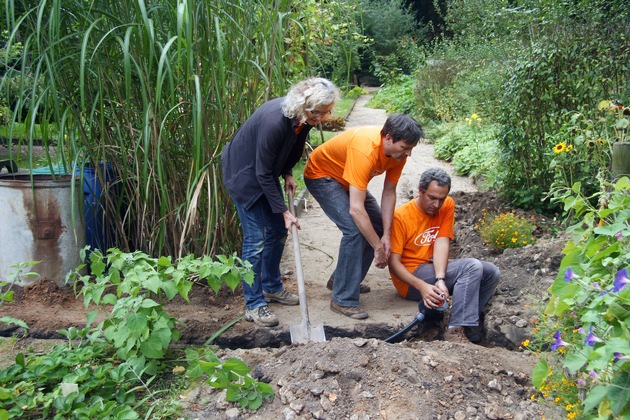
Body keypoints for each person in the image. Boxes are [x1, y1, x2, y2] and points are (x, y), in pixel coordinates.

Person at [222, 77, 340, 327]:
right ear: (303, 105)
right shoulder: (275, 122)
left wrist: (287, 172)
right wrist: (285, 211)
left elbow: (291, 149)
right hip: (243, 176)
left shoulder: (304, 119)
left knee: (277, 232)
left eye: (325, 112)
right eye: (318, 112)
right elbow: (262, 173)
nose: (322, 118)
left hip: (263, 173)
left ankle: (272, 287)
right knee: (256, 239)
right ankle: (254, 305)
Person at [304, 114, 424, 319]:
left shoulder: (398, 155)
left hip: (347, 179)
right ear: (388, 138)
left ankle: (341, 280)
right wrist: (378, 247)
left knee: (376, 226)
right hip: (322, 175)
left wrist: (386, 235)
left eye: (411, 148)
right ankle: (343, 299)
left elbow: (389, 193)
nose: (409, 153)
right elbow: (356, 210)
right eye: (405, 147)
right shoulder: (365, 149)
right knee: (354, 230)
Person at [388, 167, 500, 344]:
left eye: (441, 199)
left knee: (491, 272)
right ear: (420, 191)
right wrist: (423, 286)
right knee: (471, 267)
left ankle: (468, 323)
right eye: (431, 198)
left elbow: (441, 242)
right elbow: (393, 264)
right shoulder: (401, 217)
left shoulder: (447, 205)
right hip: (410, 280)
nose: (436, 205)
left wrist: (440, 279)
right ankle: (454, 330)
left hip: (431, 269)